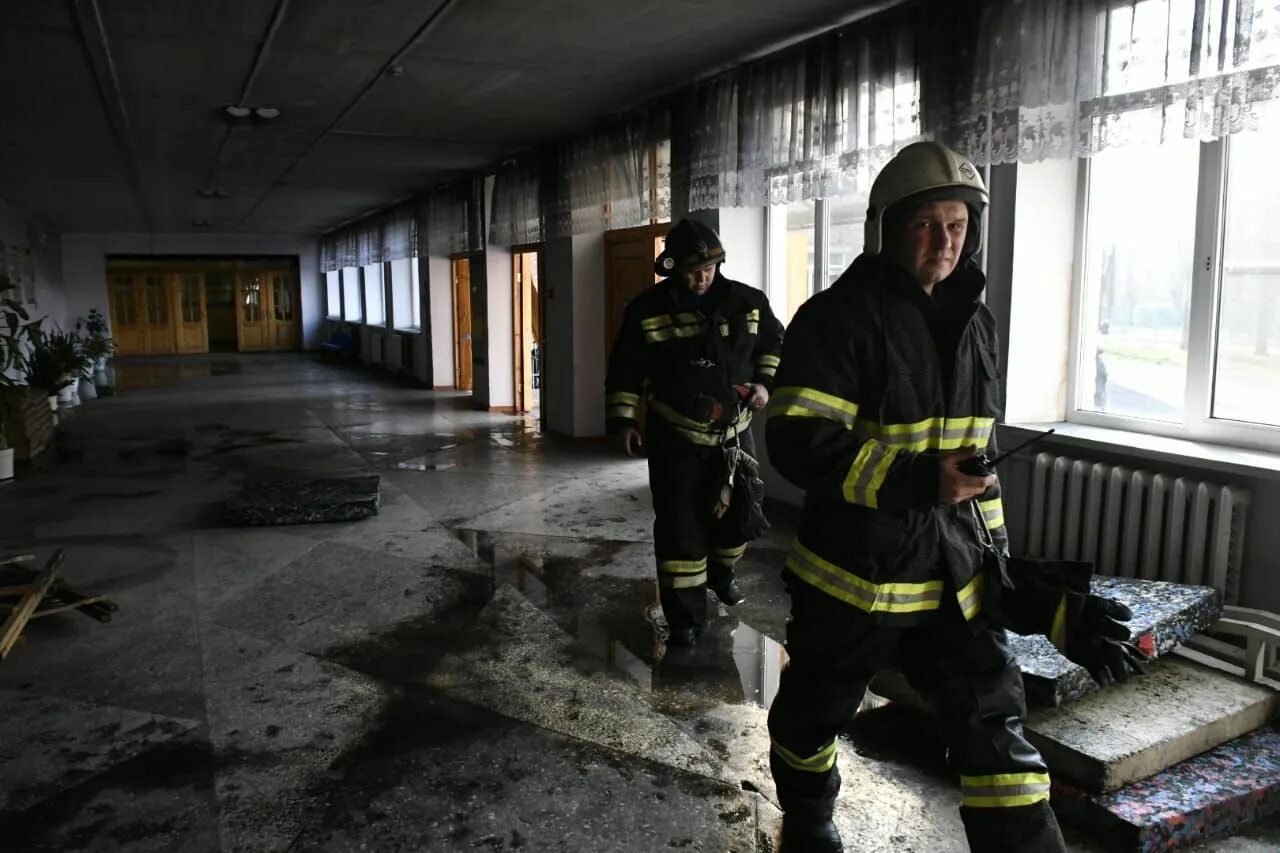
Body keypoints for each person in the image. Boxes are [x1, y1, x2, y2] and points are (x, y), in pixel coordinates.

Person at [764, 142, 1071, 852]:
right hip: (854, 578)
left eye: (958, 225)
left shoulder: (979, 325)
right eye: (926, 224)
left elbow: (977, 462)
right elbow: (796, 439)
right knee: (812, 717)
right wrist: (916, 480)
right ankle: (809, 816)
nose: (944, 241)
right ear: (890, 228)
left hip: (954, 573)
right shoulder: (836, 317)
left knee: (996, 725)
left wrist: (998, 560)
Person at [605, 219, 784, 647]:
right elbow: (625, 371)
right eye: (690, 270)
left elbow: (774, 345)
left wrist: (764, 384)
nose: (700, 277)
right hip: (676, 436)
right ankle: (685, 617)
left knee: (738, 517)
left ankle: (722, 575)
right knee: (680, 528)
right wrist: (623, 422)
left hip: (735, 435)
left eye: (707, 267)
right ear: (672, 268)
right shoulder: (646, 311)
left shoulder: (749, 302)